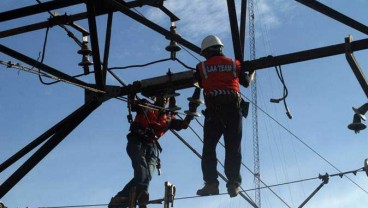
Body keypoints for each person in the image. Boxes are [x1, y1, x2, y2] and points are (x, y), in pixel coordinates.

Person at [108, 84, 191, 208]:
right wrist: (132, 92)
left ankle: (121, 198)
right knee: (141, 169)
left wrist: (192, 111)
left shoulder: (169, 117)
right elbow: (133, 104)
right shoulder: (145, 105)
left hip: (152, 146)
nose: (163, 99)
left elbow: (184, 124)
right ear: (155, 98)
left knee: (147, 175)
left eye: (166, 98)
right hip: (137, 141)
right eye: (161, 96)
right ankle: (142, 195)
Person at [195, 35, 255, 197]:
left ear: (207, 51)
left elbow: (200, 83)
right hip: (233, 110)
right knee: (233, 147)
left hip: (214, 111)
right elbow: (246, 82)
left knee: (209, 148)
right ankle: (233, 183)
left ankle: (211, 184)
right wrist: (253, 71)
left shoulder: (202, 67)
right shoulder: (234, 64)